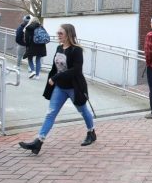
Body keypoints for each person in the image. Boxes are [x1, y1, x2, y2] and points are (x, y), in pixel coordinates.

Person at [19, 23, 96, 155]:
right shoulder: (59, 48)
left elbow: (76, 70)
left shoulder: (76, 50)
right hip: (60, 87)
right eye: (58, 33)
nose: (58, 35)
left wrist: (56, 77)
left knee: (82, 110)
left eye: (61, 33)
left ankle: (91, 132)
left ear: (68, 34)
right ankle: (38, 142)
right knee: (51, 113)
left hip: (74, 87)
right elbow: (56, 67)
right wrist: (52, 79)